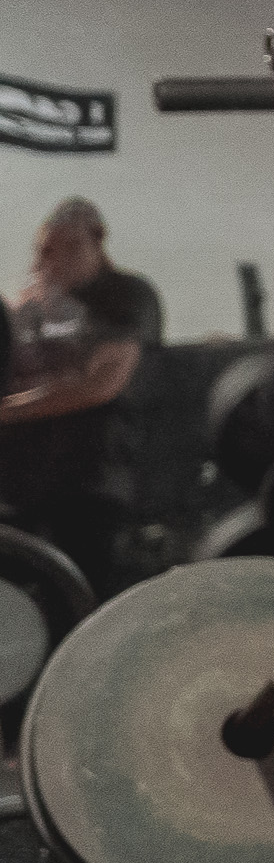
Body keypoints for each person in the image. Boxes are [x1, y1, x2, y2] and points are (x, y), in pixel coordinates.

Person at [0, 198, 157, 607]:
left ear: (95, 242)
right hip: (27, 484)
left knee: (85, 601)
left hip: (92, 479)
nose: (50, 259)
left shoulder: (126, 295)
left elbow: (101, 384)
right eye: (45, 250)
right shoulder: (35, 306)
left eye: (65, 246)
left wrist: (8, 411)